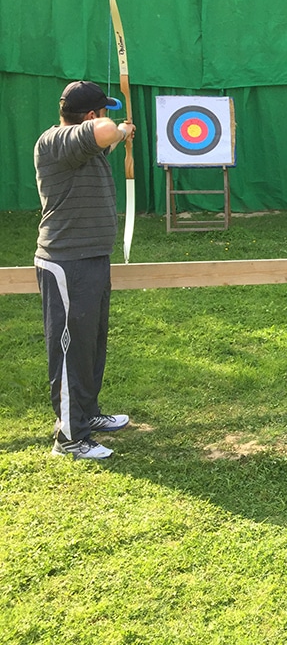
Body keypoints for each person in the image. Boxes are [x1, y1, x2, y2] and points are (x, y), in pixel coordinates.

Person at [35, 81, 135, 459]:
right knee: (69, 349)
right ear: (91, 116)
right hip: (66, 261)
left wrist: (120, 134)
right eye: (103, 111)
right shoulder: (56, 140)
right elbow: (107, 132)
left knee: (89, 344)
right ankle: (69, 439)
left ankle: (87, 414)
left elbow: (103, 139)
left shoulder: (80, 149)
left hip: (90, 257)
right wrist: (122, 129)